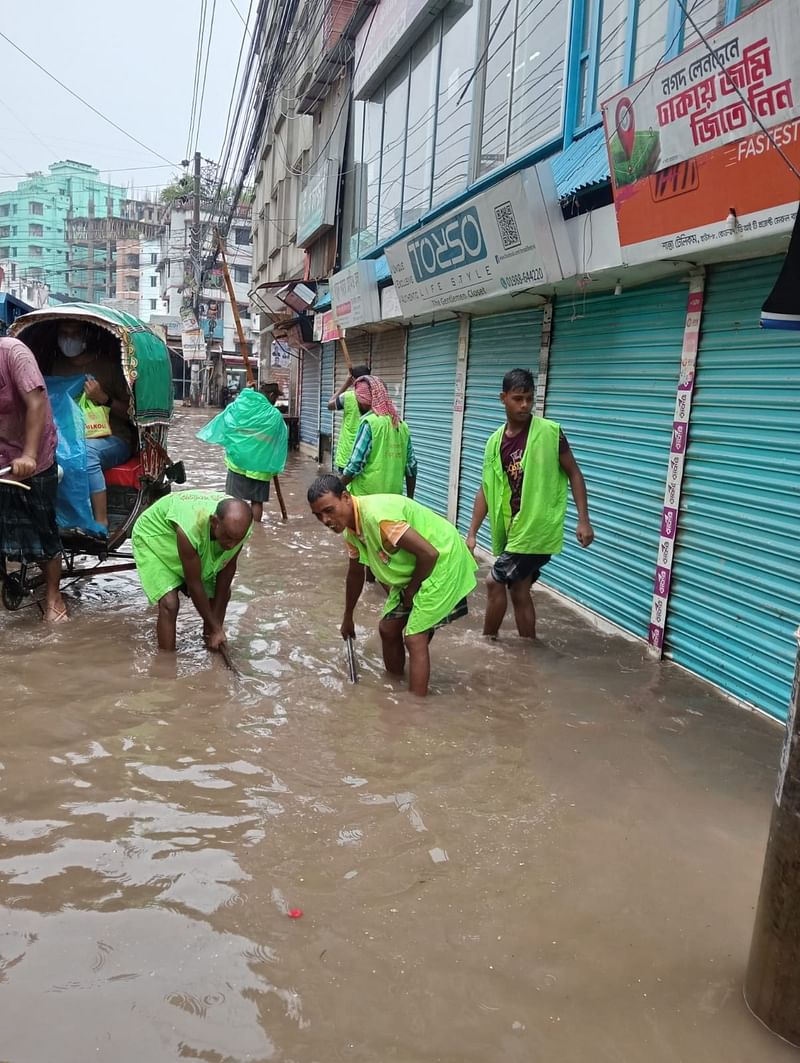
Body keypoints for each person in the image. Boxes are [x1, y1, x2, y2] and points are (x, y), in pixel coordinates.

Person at [308, 475, 477, 697]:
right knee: (388, 629)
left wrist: (412, 591)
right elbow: (356, 573)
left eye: (329, 510)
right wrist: (348, 617)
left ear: (346, 498)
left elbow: (429, 553)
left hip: (444, 561)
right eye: (318, 515)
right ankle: (394, 688)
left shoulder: (380, 518)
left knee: (414, 638)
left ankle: (414, 709)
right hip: (417, 567)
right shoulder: (351, 530)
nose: (325, 520)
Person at [465, 367, 594, 640]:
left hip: (536, 527)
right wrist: (472, 533)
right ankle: (528, 649)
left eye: (529, 398)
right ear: (503, 398)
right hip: (514, 528)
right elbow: (487, 488)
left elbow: (574, 473)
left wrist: (584, 520)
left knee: (493, 582)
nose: (525, 405)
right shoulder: (494, 442)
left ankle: (487, 642)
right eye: (517, 398)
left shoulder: (550, 433)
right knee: (519, 590)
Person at [131, 490, 252, 652]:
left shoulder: (240, 529)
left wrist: (214, 628)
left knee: (222, 594)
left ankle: (210, 643)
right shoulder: (190, 528)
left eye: (237, 540)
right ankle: (166, 664)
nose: (232, 545)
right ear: (214, 522)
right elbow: (194, 584)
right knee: (170, 603)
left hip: (197, 539)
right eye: (228, 538)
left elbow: (227, 572)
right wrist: (216, 628)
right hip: (155, 535)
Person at [0, 336, 67, 623]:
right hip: (2, 455)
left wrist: (27, 455)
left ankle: (54, 596)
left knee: (43, 532)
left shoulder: (14, 353)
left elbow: (36, 401)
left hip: (34, 454)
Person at [50, 320, 135, 533]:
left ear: (86, 336)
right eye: (64, 333)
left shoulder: (109, 367)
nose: (69, 339)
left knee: (85, 453)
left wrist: (103, 398)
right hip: (67, 436)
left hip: (113, 437)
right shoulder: (56, 366)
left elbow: (131, 415)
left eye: (74, 333)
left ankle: (100, 522)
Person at [198, 381, 288, 523]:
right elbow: (280, 442)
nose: (275, 401)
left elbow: (231, 415)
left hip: (238, 462)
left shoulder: (243, 404)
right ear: (271, 395)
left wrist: (246, 391)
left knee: (233, 500)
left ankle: (232, 525)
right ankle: (256, 531)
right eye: (275, 398)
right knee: (257, 502)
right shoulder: (274, 416)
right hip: (260, 467)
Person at [340, 374, 417, 498]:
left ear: (364, 401)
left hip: (366, 500)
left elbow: (355, 465)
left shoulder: (370, 423)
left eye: (358, 400)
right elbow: (411, 466)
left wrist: (336, 488)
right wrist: (410, 499)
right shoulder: (402, 425)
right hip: (393, 500)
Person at [327, 363, 370, 472]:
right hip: (367, 454)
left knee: (344, 488)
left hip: (347, 454)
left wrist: (346, 384)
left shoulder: (348, 397)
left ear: (353, 380)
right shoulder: (376, 397)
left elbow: (330, 405)